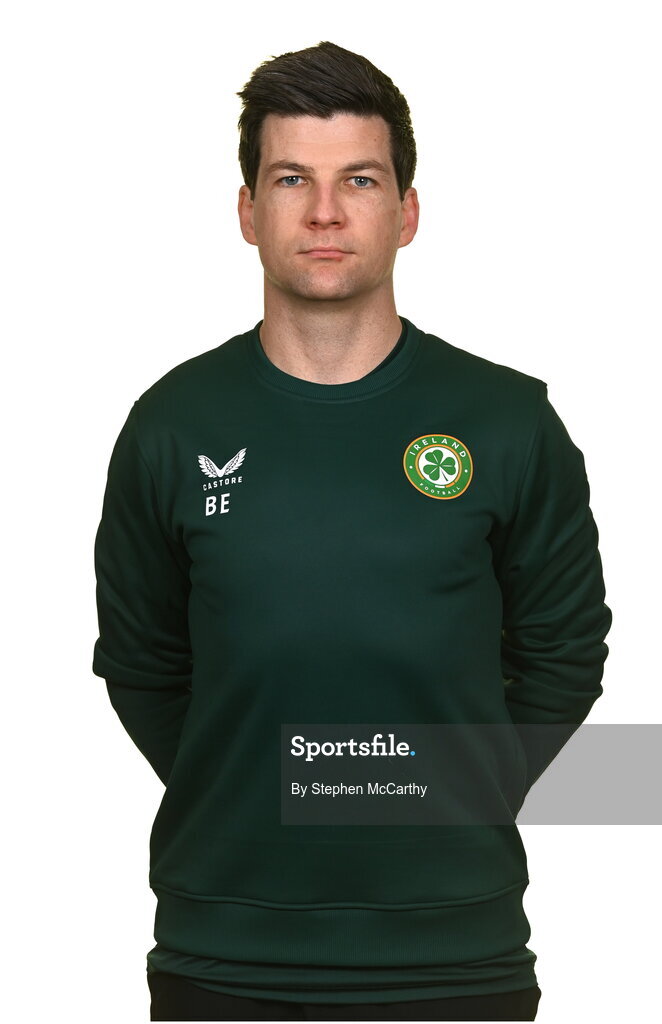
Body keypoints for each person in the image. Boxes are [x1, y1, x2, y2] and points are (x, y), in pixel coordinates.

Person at [92, 40, 611, 1022]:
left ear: (405, 211)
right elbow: (144, 667)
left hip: (457, 959)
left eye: (357, 180)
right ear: (247, 210)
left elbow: (562, 656)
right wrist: (247, 780)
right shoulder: (170, 426)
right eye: (292, 177)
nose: (324, 211)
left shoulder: (506, 421)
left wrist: (412, 789)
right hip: (224, 959)